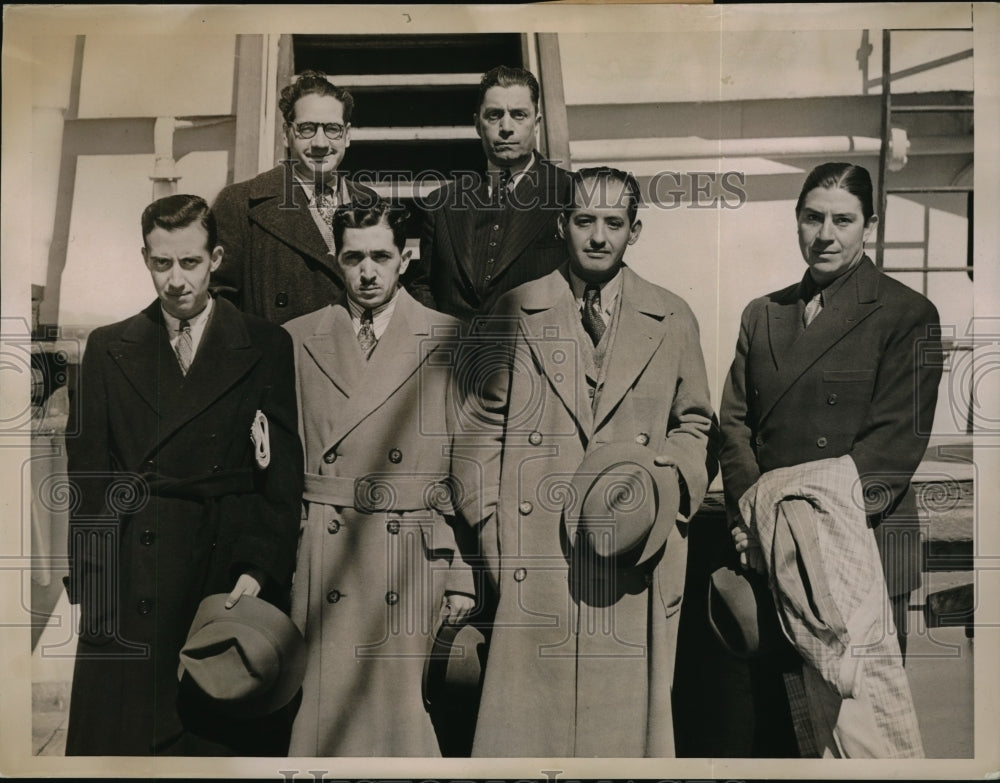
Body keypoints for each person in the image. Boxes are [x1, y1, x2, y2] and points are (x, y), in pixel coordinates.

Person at [455, 167, 715, 756]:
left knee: (619, 738)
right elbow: (475, 432)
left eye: (614, 223)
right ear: (561, 225)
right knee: (527, 738)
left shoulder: (672, 316)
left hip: (630, 558)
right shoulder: (515, 310)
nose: (598, 236)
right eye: (584, 220)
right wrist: (496, 535)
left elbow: (695, 422)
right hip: (536, 561)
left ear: (635, 230)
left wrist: (663, 495)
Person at [63, 194, 303, 755]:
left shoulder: (266, 344)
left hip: (221, 570)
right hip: (132, 572)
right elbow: (89, 479)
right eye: (161, 263)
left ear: (216, 258)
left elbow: (282, 475)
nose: (176, 280)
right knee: (127, 742)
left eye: (190, 262)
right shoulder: (106, 348)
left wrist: (259, 567)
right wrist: (96, 589)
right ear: (144, 258)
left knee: (210, 740)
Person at [718, 162, 942, 755]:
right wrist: (754, 521)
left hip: (857, 552)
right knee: (783, 733)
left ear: (870, 224)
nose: (826, 234)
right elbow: (734, 427)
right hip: (767, 554)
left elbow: (892, 450)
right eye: (813, 217)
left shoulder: (906, 314)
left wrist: (791, 530)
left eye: (843, 220)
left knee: (862, 741)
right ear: (796, 220)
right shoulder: (762, 314)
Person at [283, 199, 476, 756]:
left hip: (410, 555)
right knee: (325, 716)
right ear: (336, 260)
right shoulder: (297, 338)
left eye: (380, 256)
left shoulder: (448, 338)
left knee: (399, 716)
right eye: (353, 257)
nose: (367, 271)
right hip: (326, 550)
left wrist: (461, 570)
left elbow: (468, 468)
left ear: (405, 258)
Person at [212, 70, 428, 323]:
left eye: (332, 129)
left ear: (347, 135)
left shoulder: (369, 202)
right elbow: (218, 307)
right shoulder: (240, 202)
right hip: (280, 356)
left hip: (353, 354)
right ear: (286, 133)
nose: (320, 143)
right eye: (307, 129)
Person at [418, 65, 572, 323]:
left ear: (537, 124)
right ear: (477, 124)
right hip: (455, 356)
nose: (506, 127)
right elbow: (423, 285)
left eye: (519, 115)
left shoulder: (569, 193)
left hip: (535, 354)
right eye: (494, 115)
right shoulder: (441, 203)